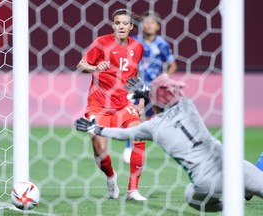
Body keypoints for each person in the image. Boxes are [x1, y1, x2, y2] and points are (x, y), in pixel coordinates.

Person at [75, 74, 263, 212]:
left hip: (206, 182)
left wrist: (96, 129)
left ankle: (232, 206)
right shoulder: (187, 106)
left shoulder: (153, 127)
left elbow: (123, 134)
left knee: (192, 197)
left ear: (153, 103)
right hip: (235, 166)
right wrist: (148, 92)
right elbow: (171, 98)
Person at [76, 9, 146, 201]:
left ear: (131, 27)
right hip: (99, 104)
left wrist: (140, 99)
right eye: (117, 23)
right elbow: (81, 65)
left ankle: (133, 190)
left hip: (123, 104)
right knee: (99, 150)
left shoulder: (137, 47)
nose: (121, 26)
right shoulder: (101, 43)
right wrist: (94, 67)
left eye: (125, 23)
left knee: (139, 134)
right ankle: (110, 176)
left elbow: (135, 74)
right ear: (112, 25)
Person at [123, 11, 177, 163]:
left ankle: (170, 146)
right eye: (146, 22)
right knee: (133, 117)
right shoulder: (133, 41)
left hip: (154, 89)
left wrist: (165, 78)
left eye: (152, 22)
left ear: (158, 26)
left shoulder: (162, 44)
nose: (149, 25)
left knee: (152, 119)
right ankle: (129, 148)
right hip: (135, 86)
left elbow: (172, 64)